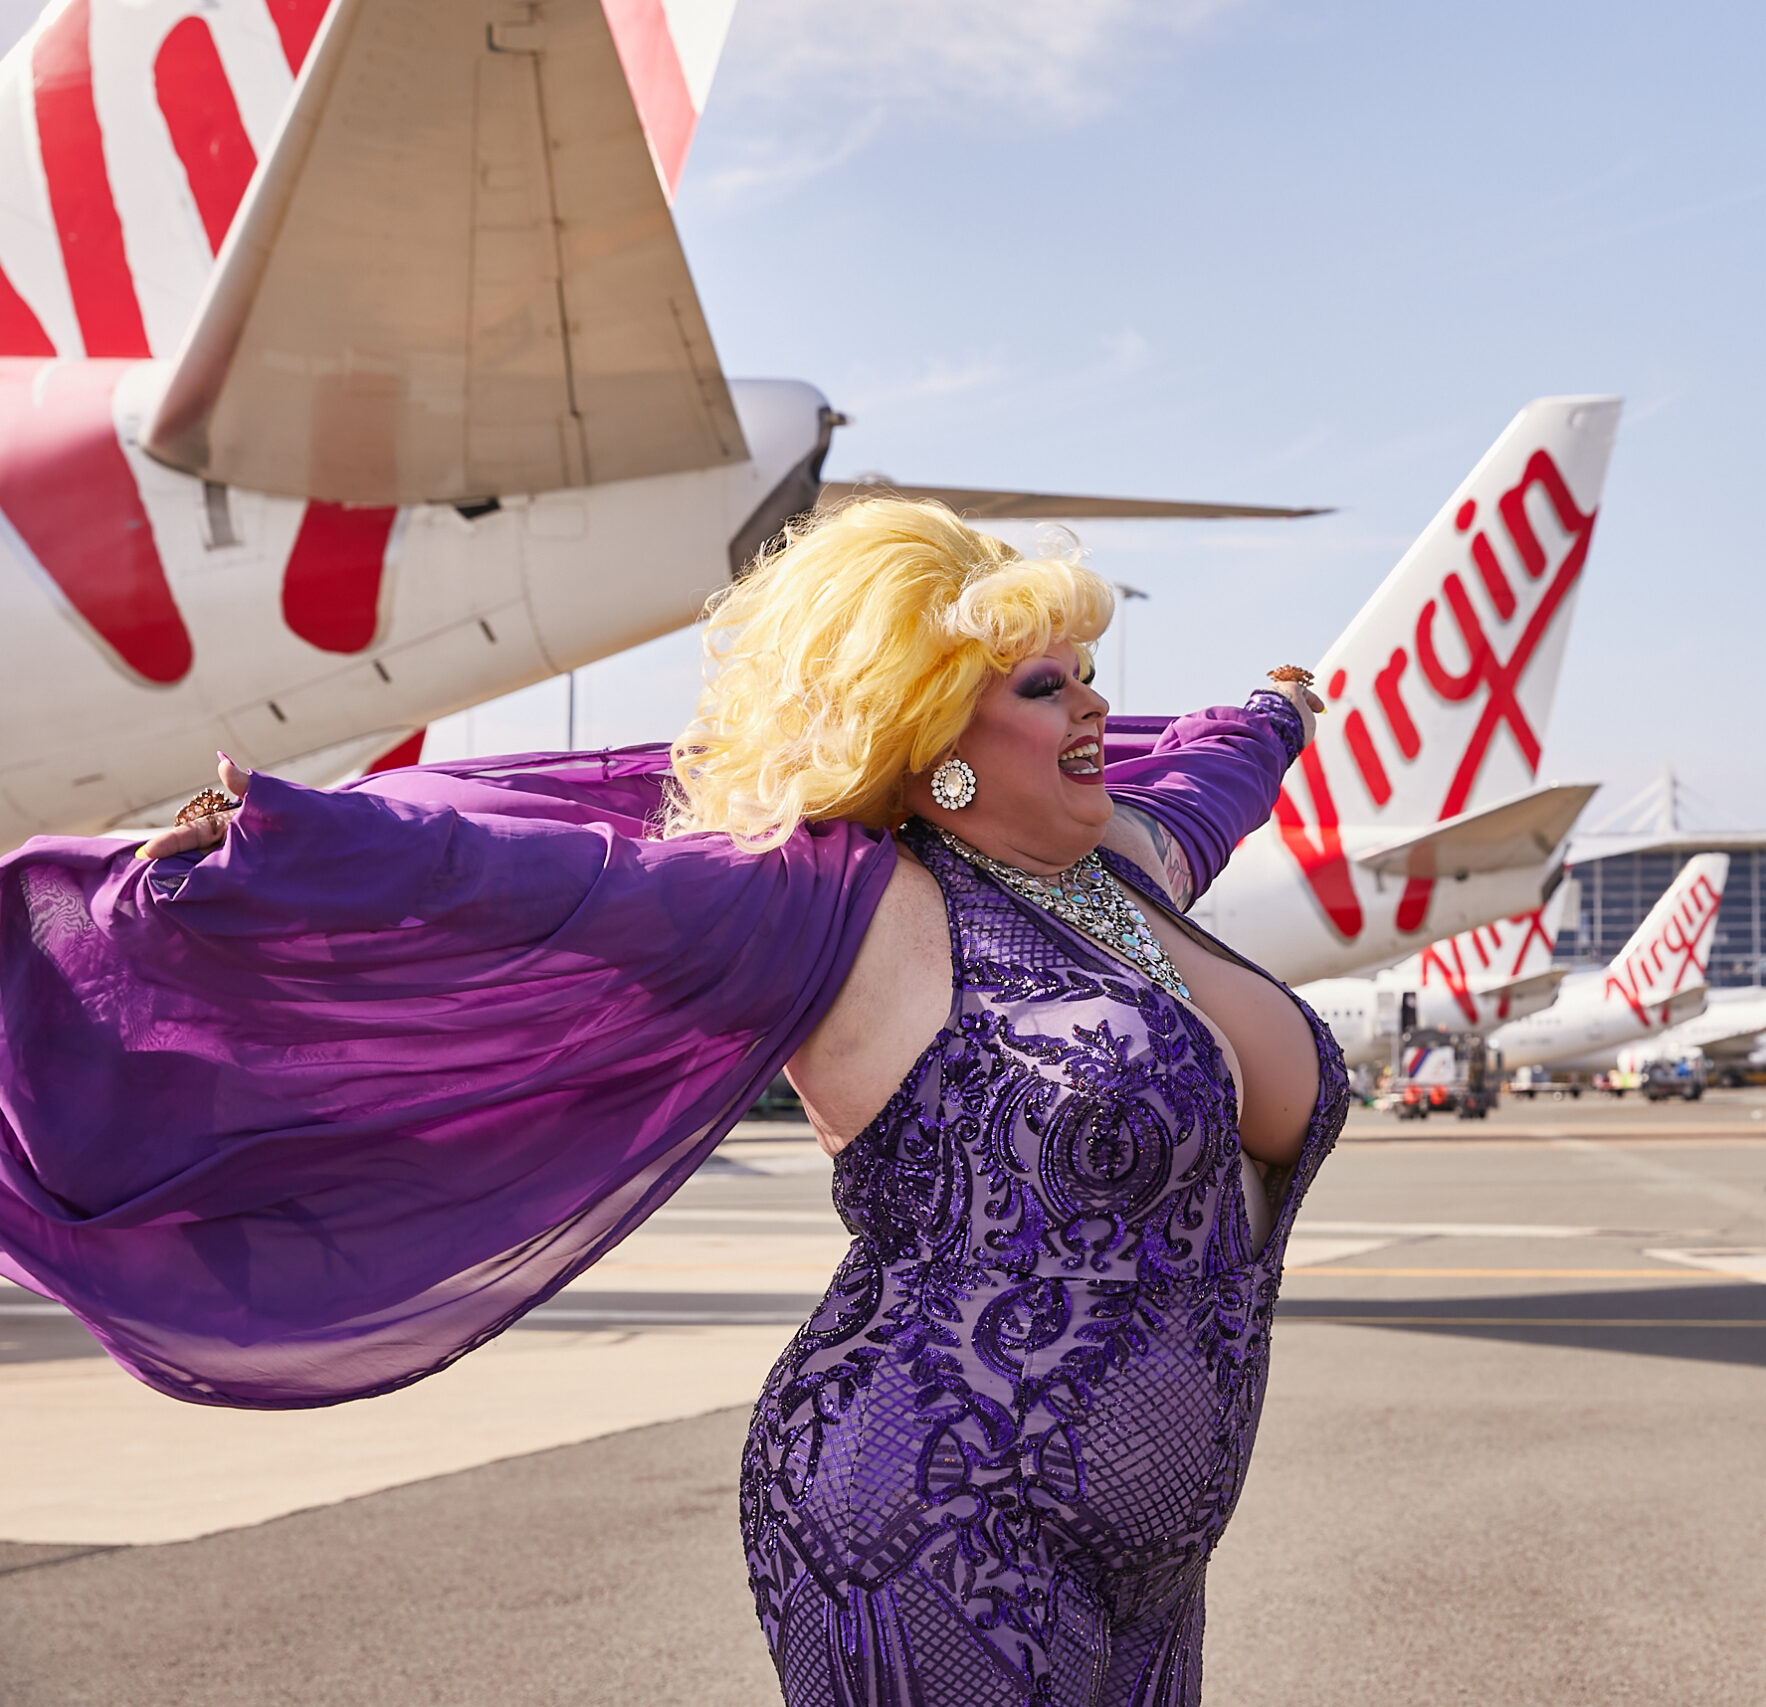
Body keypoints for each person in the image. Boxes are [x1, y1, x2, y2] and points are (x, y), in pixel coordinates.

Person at [0, 500, 1345, 1706]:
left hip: (1153, 1557)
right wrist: (294, 839)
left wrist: (1280, 706)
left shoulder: (1133, 862)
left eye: (1091, 675)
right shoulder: (834, 907)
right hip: (930, 1520)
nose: (1096, 709)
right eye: (1046, 687)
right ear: (932, 729)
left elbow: (1225, 764)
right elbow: (556, 879)